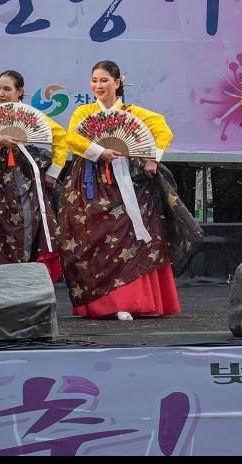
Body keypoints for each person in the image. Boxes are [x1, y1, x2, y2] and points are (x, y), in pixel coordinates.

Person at [59, 60, 199, 321]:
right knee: (93, 236)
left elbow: (161, 130)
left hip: (132, 181)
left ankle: (132, 300)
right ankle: (102, 303)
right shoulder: (84, 112)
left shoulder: (135, 112)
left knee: (131, 237)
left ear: (117, 83)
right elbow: (73, 138)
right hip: (92, 181)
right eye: (94, 80)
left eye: (104, 80)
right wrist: (101, 151)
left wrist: (153, 158)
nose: (98, 86)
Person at [0, 69, 66, 281]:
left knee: (25, 223)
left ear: (20, 92)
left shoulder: (29, 115)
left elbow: (60, 136)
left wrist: (54, 172)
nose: (1, 93)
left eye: (7, 89)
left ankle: (24, 277)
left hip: (24, 176)